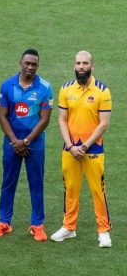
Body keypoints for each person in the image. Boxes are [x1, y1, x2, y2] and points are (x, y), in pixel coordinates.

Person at [0, 49, 53, 241]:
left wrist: (26, 141)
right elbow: (2, 116)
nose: (30, 67)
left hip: (35, 144)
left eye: (34, 64)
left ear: (37, 66)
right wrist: (15, 141)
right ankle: (4, 222)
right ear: (20, 63)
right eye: (27, 63)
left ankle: (37, 225)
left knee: (36, 183)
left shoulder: (45, 87)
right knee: (8, 181)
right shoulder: (7, 85)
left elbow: (45, 120)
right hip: (11, 142)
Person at [51, 51, 112, 248]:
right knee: (70, 188)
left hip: (93, 148)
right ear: (74, 66)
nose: (81, 67)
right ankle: (69, 227)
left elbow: (103, 124)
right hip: (70, 149)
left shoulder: (103, 91)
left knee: (98, 190)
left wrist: (84, 146)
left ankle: (103, 231)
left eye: (85, 63)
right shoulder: (65, 89)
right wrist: (71, 146)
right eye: (78, 63)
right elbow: (61, 119)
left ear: (92, 66)